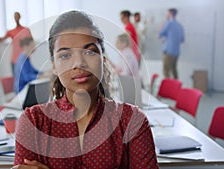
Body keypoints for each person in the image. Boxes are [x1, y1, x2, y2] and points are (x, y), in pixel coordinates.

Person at [12, 11, 158, 169]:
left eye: (89, 52)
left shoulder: (133, 121)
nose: (79, 63)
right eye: (65, 55)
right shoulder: (33, 122)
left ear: (103, 58)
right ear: (54, 66)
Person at [159, 8, 184, 79]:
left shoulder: (168, 23)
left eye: (167, 13)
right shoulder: (180, 26)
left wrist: (161, 27)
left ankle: (168, 88)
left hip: (169, 52)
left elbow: (160, 34)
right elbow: (182, 40)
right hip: (176, 52)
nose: (166, 15)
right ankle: (176, 87)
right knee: (174, 70)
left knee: (166, 70)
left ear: (170, 14)